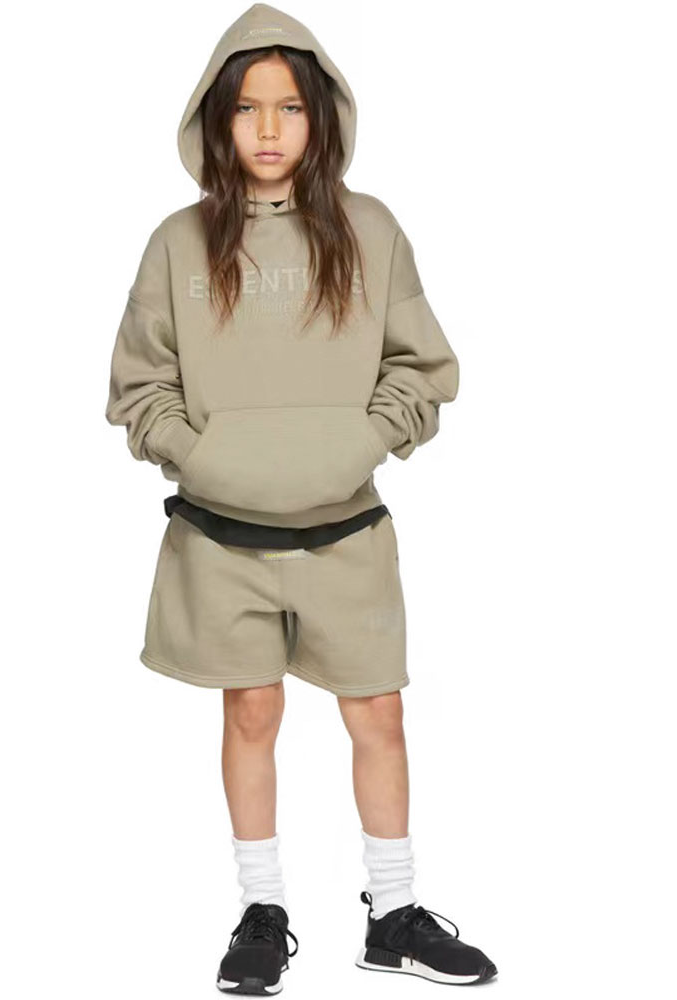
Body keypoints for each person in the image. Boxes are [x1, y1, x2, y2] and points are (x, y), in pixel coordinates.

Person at [105, 2, 497, 993]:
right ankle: (262, 910)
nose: (269, 128)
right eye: (247, 108)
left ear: (322, 116)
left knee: (379, 715)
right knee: (250, 714)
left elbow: (423, 367)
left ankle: (394, 912)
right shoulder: (177, 243)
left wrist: (363, 441)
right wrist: (200, 457)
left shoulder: (371, 230)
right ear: (218, 119)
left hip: (346, 530)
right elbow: (140, 385)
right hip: (220, 537)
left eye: (289, 107)